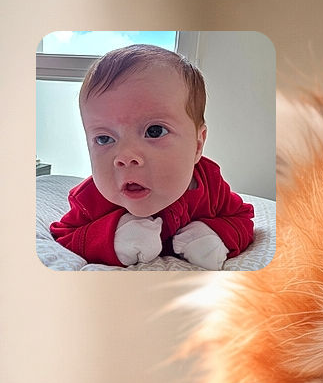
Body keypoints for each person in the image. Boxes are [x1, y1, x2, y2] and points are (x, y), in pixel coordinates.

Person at [50, 44, 254, 269]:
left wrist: (213, 235)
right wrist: (113, 236)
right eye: (104, 138)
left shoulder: (210, 184)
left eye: (154, 131)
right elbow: (65, 234)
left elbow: (242, 219)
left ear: (197, 145)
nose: (125, 157)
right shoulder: (91, 198)